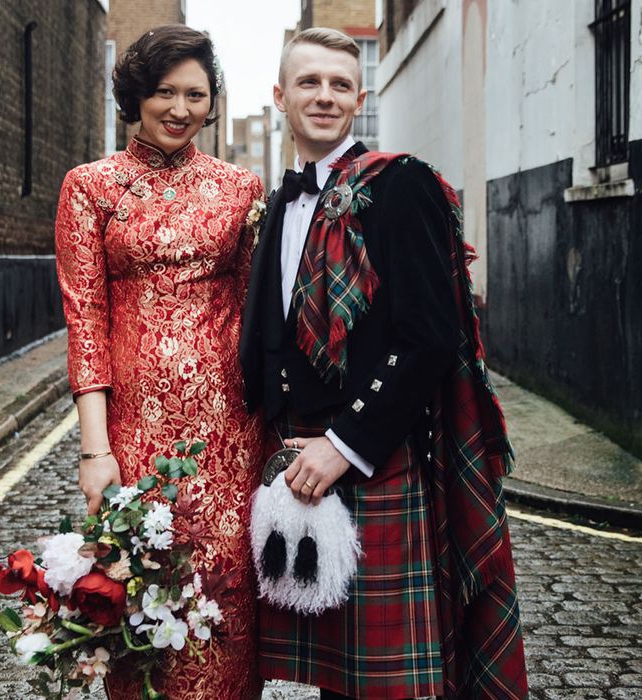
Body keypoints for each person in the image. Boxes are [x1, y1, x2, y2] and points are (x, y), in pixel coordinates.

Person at [239, 28, 529, 699]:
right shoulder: (279, 203)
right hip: (292, 469)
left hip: (371, 463)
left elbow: (432, 335)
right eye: (308, 82)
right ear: (279, 95)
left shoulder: (401, 185)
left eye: (340, 84)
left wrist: (344, 446)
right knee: (327, 682)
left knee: (379, 690)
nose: (325, 95)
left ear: (359, 98)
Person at [54, 25, 264, 699]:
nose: (180, 109)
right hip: (135, 441)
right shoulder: (91, 187)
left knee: (225, 614)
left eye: (196, 94)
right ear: (136, 96)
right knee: (140, 605)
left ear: (213, 101)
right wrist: (96, 451)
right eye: (165, 92)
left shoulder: (241, 188)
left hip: (231, 438)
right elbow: (85, 319)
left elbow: (263, 315)